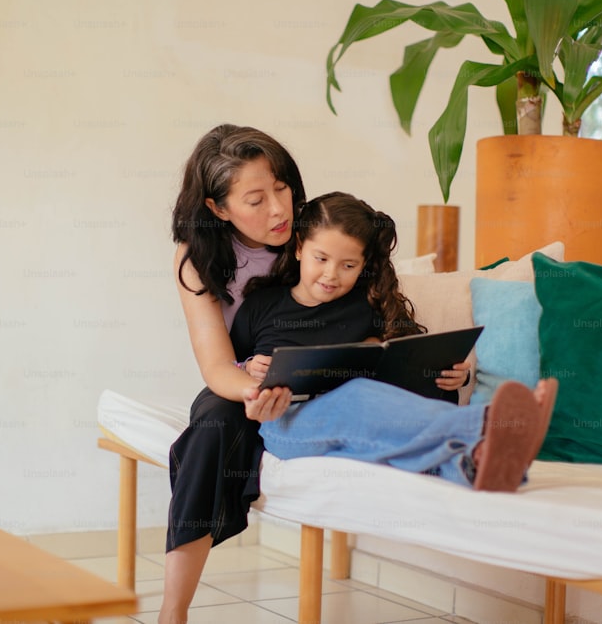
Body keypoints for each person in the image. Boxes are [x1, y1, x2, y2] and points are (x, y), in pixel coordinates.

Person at [163, 126, 468, 624]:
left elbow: (371, 317)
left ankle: (460, 446)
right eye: (256, 200)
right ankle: (173, 611)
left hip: (324, 381)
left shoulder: (310, 236)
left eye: (281, 188)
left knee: (367, 399)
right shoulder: (198, 259)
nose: (279, 210)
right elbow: (218, 365)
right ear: (219, 208)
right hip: (244, 379)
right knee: (212, 429)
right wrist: (256, 390)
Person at [231, 192, 557, 490]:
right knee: (357, 395)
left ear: (362, 266)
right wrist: (248, 368)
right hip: (284, 422)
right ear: (300, 247)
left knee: (377, 427)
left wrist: (457, 375)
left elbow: (404, 362)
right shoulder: (262, 304)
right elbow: (228, 369)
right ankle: (489, 422)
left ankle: (475, 465)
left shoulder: (363, 306)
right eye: (321, 259)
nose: (331, 274)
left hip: (358, 421)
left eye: (348, 266)